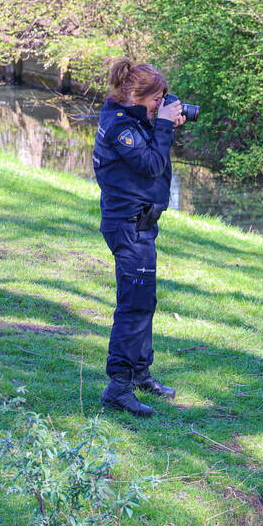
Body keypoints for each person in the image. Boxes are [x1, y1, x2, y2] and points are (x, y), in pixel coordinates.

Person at [92, 58, 185, 417]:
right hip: (128, 226)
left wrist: (162, 123)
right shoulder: (120, 127)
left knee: (145, 301)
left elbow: (150, 159)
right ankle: (118, 387)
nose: (160, 105)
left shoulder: (131, 118)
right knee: (133, 306)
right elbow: (150, 165)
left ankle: (140, 374)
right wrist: (163, 126)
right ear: (134, 96)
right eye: (156, 99)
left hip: (140, 224)